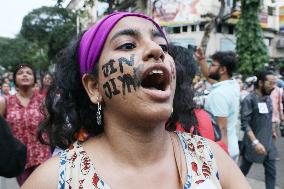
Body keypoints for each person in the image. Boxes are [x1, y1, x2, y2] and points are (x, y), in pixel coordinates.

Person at [22, 12, 250, 189]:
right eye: (128, 45)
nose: (156, 51)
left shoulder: (210, 158)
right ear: (94, 87)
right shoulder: (55, 179)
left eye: (162, 46)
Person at [0, 64, 51, 186]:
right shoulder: (5, 102)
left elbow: (52, 126)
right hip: (19, 158)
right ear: (14, 79)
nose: (24, 75)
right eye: (20, 73)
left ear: (34, 78)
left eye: (28, 73)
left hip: (43, 156)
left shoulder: (44, 101)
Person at [195, 48, 240, 161]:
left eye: (213, 65)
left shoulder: (219, 94)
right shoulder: (232, 85)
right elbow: (209, 77)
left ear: (223, 70)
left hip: (223, 150)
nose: (210, 67)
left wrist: (223, 156)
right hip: (231, 145)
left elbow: (222, 128)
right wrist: (201, 60)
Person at [240, 70, 277, 189]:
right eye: (270, 83)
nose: (273, 86)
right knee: (242, 172)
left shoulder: (268, 99)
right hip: (252, 144)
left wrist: (272, 131)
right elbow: (245, 124)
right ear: (261, 83)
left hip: (268, 143)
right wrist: (255, 142)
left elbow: (268, 118)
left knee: (271, 173)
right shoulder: (249, 100)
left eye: (274, 83)